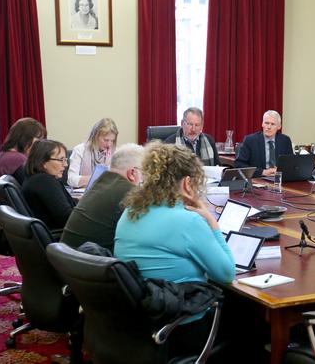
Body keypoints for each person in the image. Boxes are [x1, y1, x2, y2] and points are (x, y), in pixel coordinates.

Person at [114, 142, 234, 353]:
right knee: (249, 322)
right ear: (187, 182)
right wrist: (213, 224)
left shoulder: (130, 211)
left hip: (138, 324)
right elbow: (226, 273)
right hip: (179, 328)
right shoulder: (188, 222)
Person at [61, 143, 144, 252]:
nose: (143, 180)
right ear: (132, 173)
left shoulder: (101, 182)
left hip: (68, 258)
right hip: (92, 263)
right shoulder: (128, 192)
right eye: (143, 174)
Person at [22, 140, 75, 230]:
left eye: (65, 160)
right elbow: (68, 219)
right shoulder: (44, 181)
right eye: (61, 160)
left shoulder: (35, 179)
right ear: (43, 162)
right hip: (60, 238)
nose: (65, 165)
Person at [234, 110, 293, 177]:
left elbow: (291, 165)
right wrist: (262, 172)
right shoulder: (250, 140)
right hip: (258, 179)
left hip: (279, 179)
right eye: (266, 123)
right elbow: (239, 165)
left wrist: (280, 170)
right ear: (262, 124)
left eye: (273, 124)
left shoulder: (285, 140)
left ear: (279, 127)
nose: (269, 127)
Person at [0, 117, 47, 184]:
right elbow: (33, 185)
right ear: (25, 137)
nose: (40, 143)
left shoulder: (6, 153)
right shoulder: (17, 158)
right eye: (38, 139)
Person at [68, 118, 118, 188]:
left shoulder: (115, 152)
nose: (109, 145)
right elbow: (71, 180)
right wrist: (96, 178)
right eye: (106, 140)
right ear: (95, 136)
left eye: (112, 141)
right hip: (83, 195)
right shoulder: (80, 150)